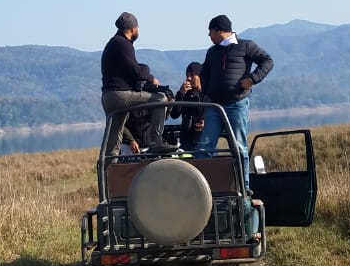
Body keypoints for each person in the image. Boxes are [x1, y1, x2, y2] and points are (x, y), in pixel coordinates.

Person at [195, 15, 273, 187]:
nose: (209, 35)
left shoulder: (246, 46)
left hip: (236, 104)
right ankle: (199, 189)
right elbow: (204, 73)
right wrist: (208, 90)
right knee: (204, 148)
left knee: (239, 147)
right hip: (214, 106)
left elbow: (267, 61)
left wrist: (252, 79)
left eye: (210, 31)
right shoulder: (212, 52)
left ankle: (244, 187)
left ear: (219, 30)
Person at [101, 13, 176, 157]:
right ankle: (156, 141)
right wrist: (152, 79)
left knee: (114, 139)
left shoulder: (113, 43)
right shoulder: (123, 44)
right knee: (160, 99)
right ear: (132, 29)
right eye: (137, 27)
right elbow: (135, 71)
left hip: (108, 96)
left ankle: (109, 170)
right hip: (119, 95)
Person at [169, 61, 206, 151]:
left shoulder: (208, 94)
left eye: (192, 75)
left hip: (204, 139)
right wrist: (180, 94)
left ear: (200, 76)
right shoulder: (185, 94)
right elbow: (174, 114)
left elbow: (216, 114)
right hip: (186, 138)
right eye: (187, 75)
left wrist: (206, 122)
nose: (189, 78)